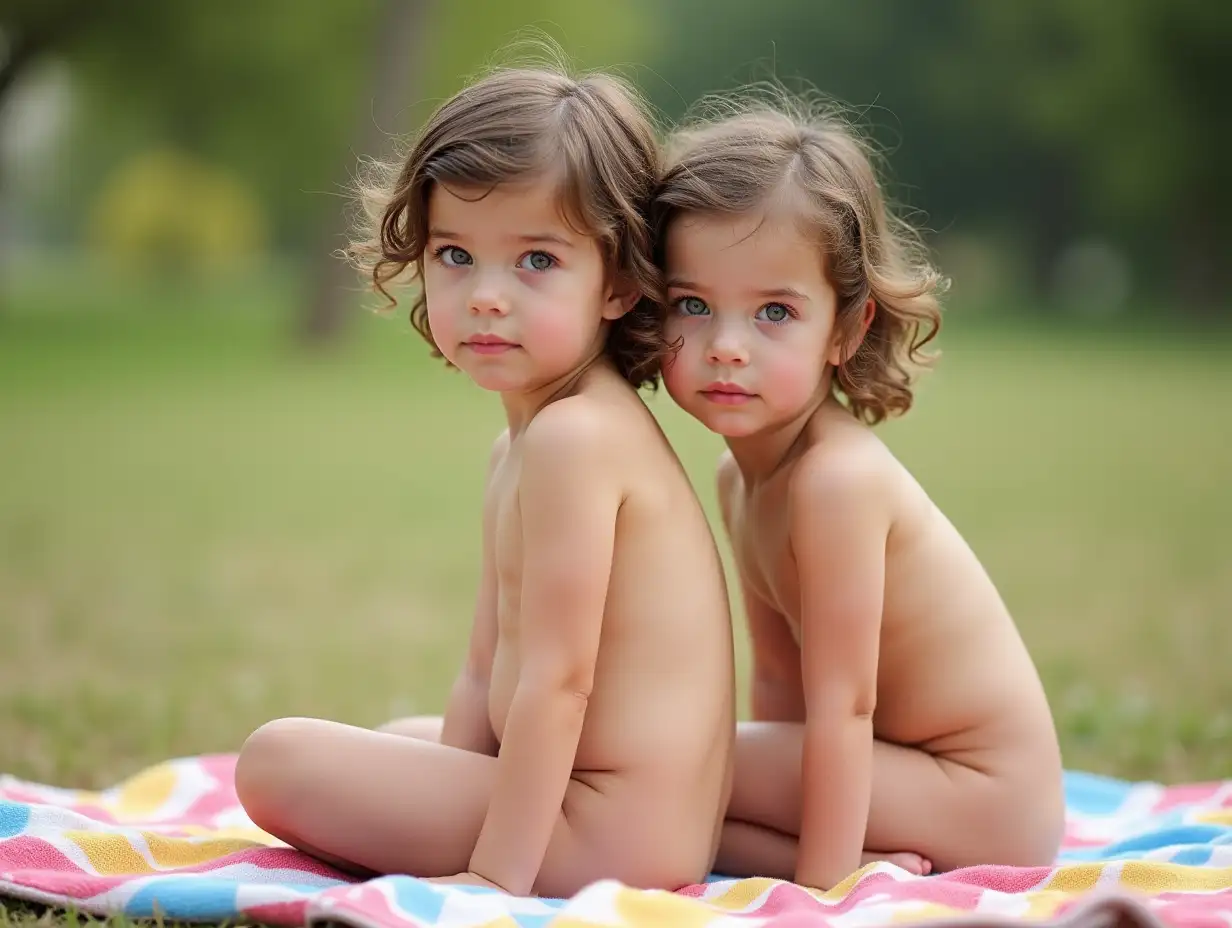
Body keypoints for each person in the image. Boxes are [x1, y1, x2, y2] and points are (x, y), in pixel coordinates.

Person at [233, 57, 736, 900]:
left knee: (275, 759)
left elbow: (559, 683)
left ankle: (511, 858)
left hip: (607, 828)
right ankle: (481, 824)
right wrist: (444, 781)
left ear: (615, 281)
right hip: (601, 806)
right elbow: (484, 670)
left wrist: (489, 881)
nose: (487, 296)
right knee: (402, 737)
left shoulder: (575, 440)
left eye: (536, 260)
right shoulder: (526, 444)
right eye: (457, 255)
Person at [651, 93, 1065, 891]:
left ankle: (837, 871)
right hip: (902, 775)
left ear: (845, 329)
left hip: (983, 796)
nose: (726, 347)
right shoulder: (741, 471)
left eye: (774, 311)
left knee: (662, 761)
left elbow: (842, 709)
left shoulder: (835, 481)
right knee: (674, 784)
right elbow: (778, 682)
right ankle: (858, 860)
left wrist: (822, 891)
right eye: (692, 306)